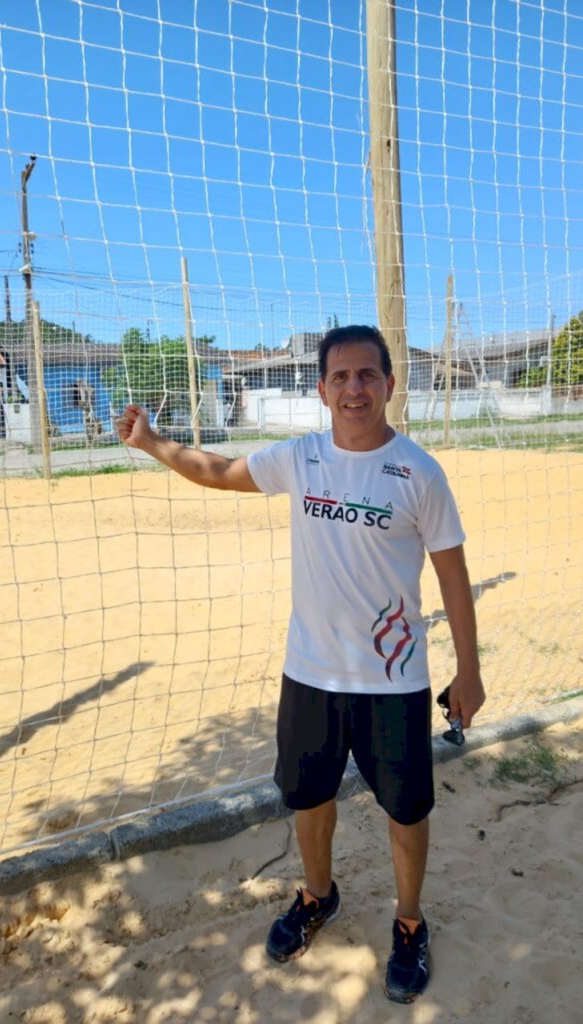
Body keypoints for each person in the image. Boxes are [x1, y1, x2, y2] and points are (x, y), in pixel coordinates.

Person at [117, 325, 485, 1003]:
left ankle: (409, 922)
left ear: (389, 386)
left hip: (393, 682)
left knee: (406, 811)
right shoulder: (301, 459)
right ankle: (317, 895)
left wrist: (470, 669)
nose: (354, 388)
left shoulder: (419, 473)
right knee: (310, 801)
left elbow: (454, 577)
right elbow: (220, 473)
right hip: (310, 675)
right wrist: (151, 443)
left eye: (367, 375)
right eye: (340, 377)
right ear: (321, 389)